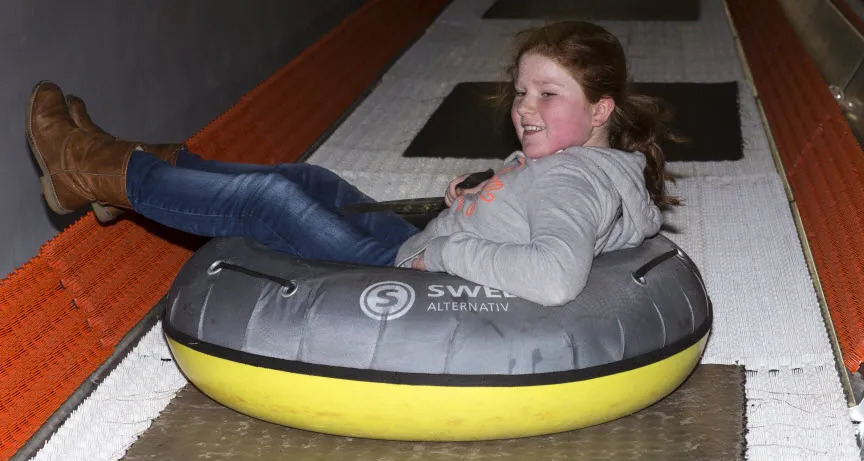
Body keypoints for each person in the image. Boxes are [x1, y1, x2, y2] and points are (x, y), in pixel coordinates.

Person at [26, 21, 678, 307]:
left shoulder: (572, 181)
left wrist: (447, 251)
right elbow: (539, 206)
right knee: (311, 180)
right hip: (423, 242)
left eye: (548, 95)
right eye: (521, 91)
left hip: (408, 269)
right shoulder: (589, 161)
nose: (524, 107)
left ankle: (89, 170)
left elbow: (556, 277)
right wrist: (486, 195)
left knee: (271, 202)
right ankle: (135, 164)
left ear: (601, 109)